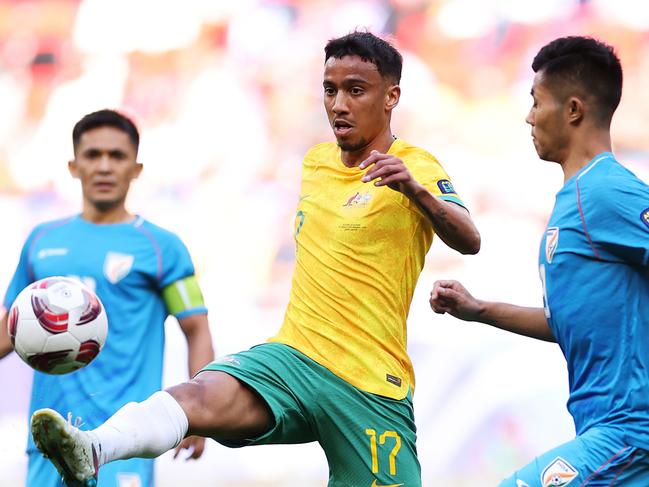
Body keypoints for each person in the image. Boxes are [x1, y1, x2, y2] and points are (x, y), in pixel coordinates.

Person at [30, 32, 480, 487]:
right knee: (198, 395)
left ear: (391, 97)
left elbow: (469, 239)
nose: (339, 104)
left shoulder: (415, 164)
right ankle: (94, 448)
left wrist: (416, 191)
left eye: (355, 90)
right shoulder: (316, 163)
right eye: (330, 89)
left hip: (368, 384)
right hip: (294, 358)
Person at [430, 36, 649, 485]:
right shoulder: (573, 201)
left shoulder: (606, 192)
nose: (529, 116)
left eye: (536, 101)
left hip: (629, 432)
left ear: (572, 110)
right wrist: (479, 310)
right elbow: (572, 321)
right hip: (602, 428)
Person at [0, 109, 214, 487]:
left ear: (136, 167)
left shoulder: (163, 248)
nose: (103, 166)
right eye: (92, 155)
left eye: (116, 156)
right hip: (47, 442)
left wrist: (200, 413)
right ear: (73, 165)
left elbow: (196, 329)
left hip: (124, 443)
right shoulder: (41, 241)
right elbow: (10, 330)